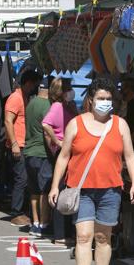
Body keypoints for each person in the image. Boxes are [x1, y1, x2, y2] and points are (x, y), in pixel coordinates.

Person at [48, 78, 134, 265]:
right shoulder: (76, 124)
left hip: (110, 190)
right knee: (83, 236)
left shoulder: (120, 125)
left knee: (102, 237)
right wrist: (54, 185)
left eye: (109, 99)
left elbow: (129, 156)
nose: (105, 102)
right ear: (91, 99)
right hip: (82, 191)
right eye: (101, 98)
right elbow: (64, 156)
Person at [4, 70, 42, 226]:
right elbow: (8, 121)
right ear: (29, 83)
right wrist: (13, 144)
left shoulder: (24, 98)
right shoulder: (16, 98)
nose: (36, 87)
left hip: (23, 144)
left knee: (24, 179)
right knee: (21, 179)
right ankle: (16, 212)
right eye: (35, 84)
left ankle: (21, 210)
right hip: (17, 144)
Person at [42, 77, 77, 244]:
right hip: (63, 152)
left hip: (70, 151)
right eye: (67, 87)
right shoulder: (56, 107)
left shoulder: (67, 106)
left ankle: (66, 233)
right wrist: (57, 141)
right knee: (62, 192)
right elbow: (46, 124)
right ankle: (60, 234)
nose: (70, 90)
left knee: (67, 192)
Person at [24, 84, 52, 237]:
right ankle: (44, 223)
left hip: (29, 151)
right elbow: (48, 129)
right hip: (42, 152)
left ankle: (35, 222)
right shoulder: (48, 105)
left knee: (33, 190)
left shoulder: (31, 103)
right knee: (44, 190)